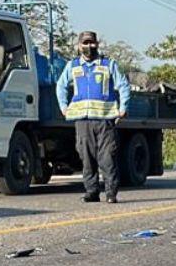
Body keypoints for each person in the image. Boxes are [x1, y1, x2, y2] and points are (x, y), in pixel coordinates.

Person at [56, 30, 131, 203]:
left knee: (107, 157)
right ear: (79, 46)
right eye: (85, 43)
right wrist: (63, 107)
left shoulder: (108, 64)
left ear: (97, 44)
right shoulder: (73, 66)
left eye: (92, 43)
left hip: (105, 119)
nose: (89, 46)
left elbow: (123, 85)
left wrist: (123, 107)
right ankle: (92, 191)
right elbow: (61, 86)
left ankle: (111, 193)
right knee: (86, 157)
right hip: (83, 120)